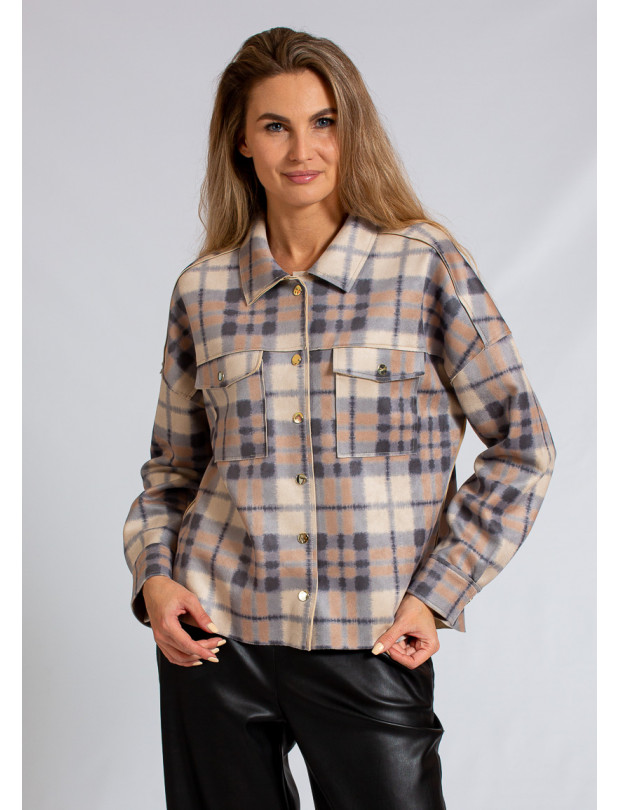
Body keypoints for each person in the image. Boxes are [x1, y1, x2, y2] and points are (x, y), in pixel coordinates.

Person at [123, 26, 556, 810]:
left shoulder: (423, 266)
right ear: (241, 141)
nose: (303, 150)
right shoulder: (203, 290)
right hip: (215, 640)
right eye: (275, 126)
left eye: (323, 121)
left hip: (369, 640)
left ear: (352, 130)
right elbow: (173, 472)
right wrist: (155, 575)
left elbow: (523, 446)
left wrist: (436, 593)